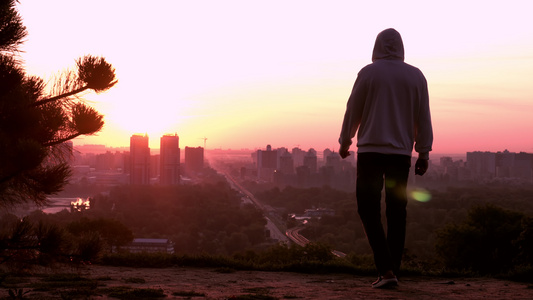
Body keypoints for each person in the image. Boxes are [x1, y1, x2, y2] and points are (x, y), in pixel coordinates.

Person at [338, 28, 433, 289]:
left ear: (376, 46)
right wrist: (423, 153)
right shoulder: (416, 76)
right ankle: (393, 271)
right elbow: (423, 116)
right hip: (401, 155)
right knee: (396, 212)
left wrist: (345, 142)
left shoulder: (368, 73)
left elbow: (352, 110)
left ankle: (386, 270)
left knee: (368, 209)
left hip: (370, 151)